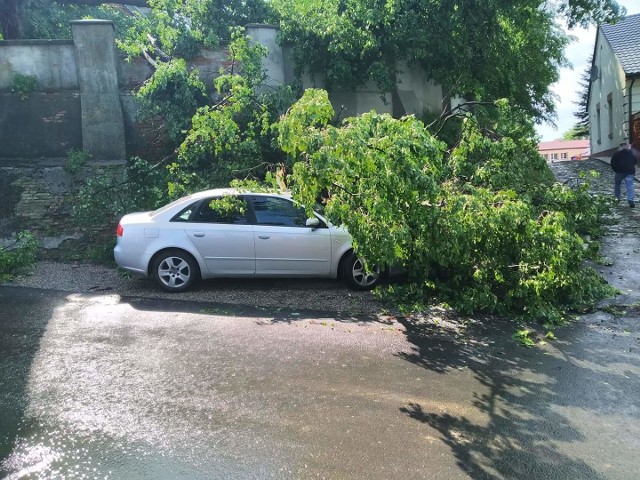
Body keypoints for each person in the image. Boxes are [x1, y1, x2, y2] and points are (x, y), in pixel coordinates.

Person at [610, 143, 638, 208]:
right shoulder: (630, 153)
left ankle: (617, 198)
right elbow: (635, 161)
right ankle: (630, 200)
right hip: (630, 171)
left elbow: (612, 163)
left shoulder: (616, 154)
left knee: (617, 185)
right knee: (629, 186)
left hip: (620, 172)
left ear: (620, 147)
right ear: (626, 146)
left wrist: (616, 170)